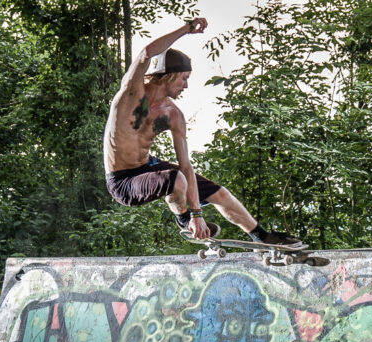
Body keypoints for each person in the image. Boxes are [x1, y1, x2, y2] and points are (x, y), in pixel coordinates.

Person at [104, 17, 301, 246]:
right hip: (122, 181)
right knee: (176, 179)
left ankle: (261, 236)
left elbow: (185, 165)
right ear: (169, 75)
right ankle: (183, 219)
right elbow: (145, 54)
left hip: (149, 167)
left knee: (219, 193)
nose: (186, 86)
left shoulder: (173, 115)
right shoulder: (130, 95)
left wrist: (199, 212)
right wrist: (186, 29)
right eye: (184, 79)